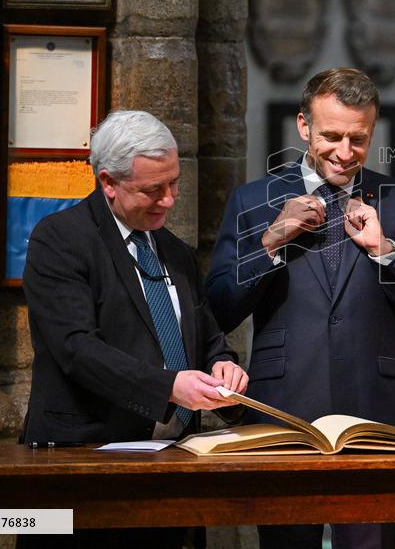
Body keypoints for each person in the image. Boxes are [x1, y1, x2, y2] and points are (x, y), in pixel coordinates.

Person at [206, 67, 395, 549]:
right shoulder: (253, 200)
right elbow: (219, 306)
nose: (345, 152)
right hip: (284, 414)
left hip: (372, 416)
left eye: (358, 139)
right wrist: (271, 239)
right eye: (332, 136)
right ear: (303, 127)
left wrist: (386, 251)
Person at [21, 110, 248, 548]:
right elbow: (76, 348)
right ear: (108, 182)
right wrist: (168, 387)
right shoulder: (60, 240)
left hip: (174, 465)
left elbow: (205, 335)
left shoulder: (176, 251)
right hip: (86, 463)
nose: (169, 199)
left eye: (174, 183)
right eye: (152, 189)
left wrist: (223, 364)